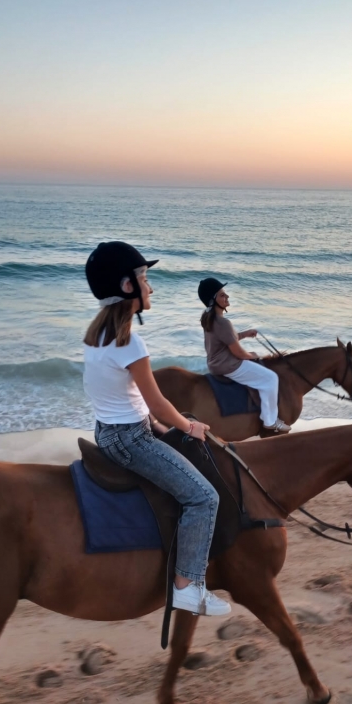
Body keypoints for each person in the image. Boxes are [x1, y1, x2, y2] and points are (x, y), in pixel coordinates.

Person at [83, 242, 231, 616]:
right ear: (127, 286)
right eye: (145, 279)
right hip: (131, 439)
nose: (150, 287)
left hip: (110, 430)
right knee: (204, 497)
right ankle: (188, 587)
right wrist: (189, 425)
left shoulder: (97, 335)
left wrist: (163, 428)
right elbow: (156, 401)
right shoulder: (131, 341)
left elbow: (125, 398)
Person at [198, 277, 291, 433]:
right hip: (228, 365)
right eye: (222, 295)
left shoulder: (209, 318)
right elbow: (238, 352)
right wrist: (252, 355)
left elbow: (226, 339)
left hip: (215, 364)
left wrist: (245, 334)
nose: (227, 296)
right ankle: (270, 421)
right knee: (271, 378)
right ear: (213, 300)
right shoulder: (223, 323)